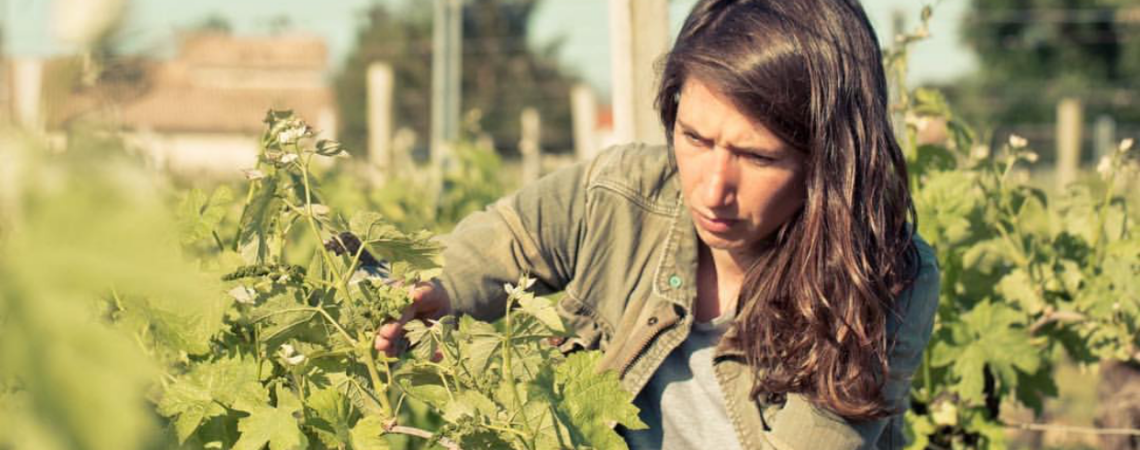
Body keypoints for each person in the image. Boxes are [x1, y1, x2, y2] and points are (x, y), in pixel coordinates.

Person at [375, 0, 941, 448]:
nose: (712, 188)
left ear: (829, 158)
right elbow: (501, 244)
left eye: (759, 157)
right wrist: (429, 293)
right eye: (694, 138)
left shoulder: (883, 274)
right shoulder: (618, 195)